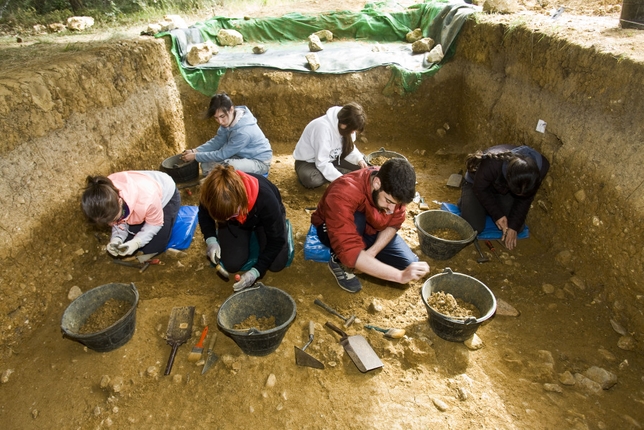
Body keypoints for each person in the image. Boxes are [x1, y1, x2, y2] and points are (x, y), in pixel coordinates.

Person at [311, 158, 430, 293]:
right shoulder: (343, 193)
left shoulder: (394, 192)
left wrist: (371, 253)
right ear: (377, 183)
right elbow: (349, 249)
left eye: (397, 204)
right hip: (335, 227)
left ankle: (365, 256)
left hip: (372, 228)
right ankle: (338, 261)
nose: (392, 209)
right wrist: (400, 276)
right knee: (357, 223)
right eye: (388, 201)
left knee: (407, 265)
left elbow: (394, 222)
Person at [198, 164, 290, 292]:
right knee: (232, 264)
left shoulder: (266, 199)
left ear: (241, 200)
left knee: (277, 263)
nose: (227, 220)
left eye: (232, 214)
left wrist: (256, 272)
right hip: (237, 220)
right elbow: (203, 214)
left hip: (262, 219)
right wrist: (211, 240)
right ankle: (238, 227)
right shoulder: (211, 193)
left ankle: (261, 231)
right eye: (223, 219)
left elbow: (276, 240)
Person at [458, 144, 550, 251]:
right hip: (477, 186)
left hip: (503, 191)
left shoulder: (542, 166)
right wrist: (497, 215)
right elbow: (479, 188)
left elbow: (526, 198)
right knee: (473, 227)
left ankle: (484, 208)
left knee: (516, 227)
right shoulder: (492, 163)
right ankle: (465, 202)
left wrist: (513, 226)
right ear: (509, 177)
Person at [81, 171, 181, 257]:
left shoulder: (147, 200)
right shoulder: (103, 193)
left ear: (120, 202)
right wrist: (116, 239)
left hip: (166, 194)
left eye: (115, 219)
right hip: (138, 197)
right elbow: (119, 223)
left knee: (154, 247)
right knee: (125, 243)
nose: (112, 223)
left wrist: (137, 243)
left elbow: (155, 224)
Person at [181, 92, 272, 176]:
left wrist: (196, 156)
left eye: (222, 116)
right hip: (241, 156)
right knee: (206, 164)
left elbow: (222, 154)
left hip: (259, 162)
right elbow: (218, 141)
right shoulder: (230, 120)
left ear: (231, 109)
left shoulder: (243, 132)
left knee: (228, 167)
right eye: (216, 118)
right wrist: (196, 151)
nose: (220, 121)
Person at [293, 102, 369, 188]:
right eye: (352, 130)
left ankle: (333, 171)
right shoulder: (322, 128)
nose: (353, 133)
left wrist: (359, 159)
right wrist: (341, 178)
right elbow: (322, 162)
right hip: (308, 162)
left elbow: (349, 149)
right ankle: (337, 172)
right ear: (343, 125)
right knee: (311, 179)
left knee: (363, 164)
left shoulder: (347, 126)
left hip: (333, 158)